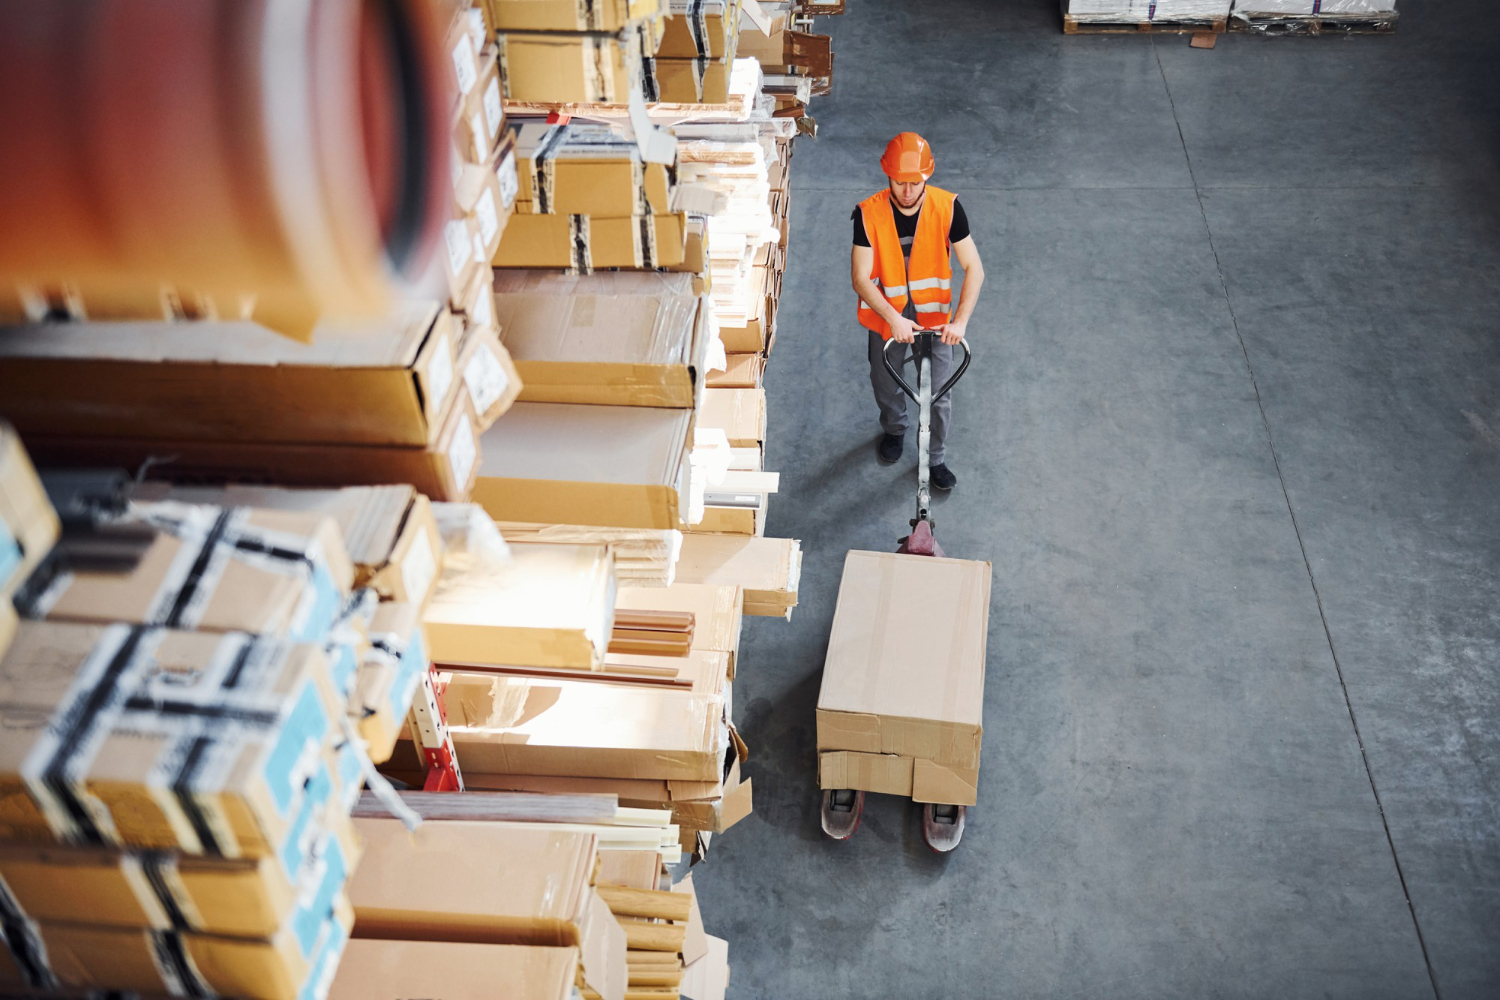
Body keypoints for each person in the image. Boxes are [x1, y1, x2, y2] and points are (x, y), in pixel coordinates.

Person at [851, 132, 983, 491]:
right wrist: (893, 319)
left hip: (934, 318)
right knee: (884, 379)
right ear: (886, 174)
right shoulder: (868, 213)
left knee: (939, 392)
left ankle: (934, 457)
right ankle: (895, 429)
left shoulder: (948, 208)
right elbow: (861, 278)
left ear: (928, 175)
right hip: (887, 315)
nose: (907, 191)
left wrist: (960, 321)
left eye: (915, 182)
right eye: (899, 182)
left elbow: (975, 267)